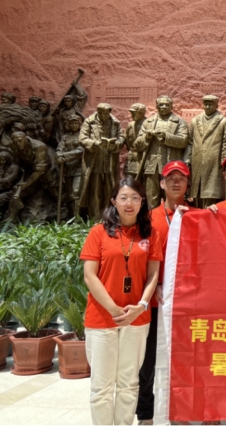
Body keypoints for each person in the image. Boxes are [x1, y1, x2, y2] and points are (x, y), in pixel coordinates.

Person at [81, 178, 162, 426]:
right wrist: (113, 308)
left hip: (137, 319)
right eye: (124, 197)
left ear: (142, 202)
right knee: (102, 387)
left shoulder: (151, 233)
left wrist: (141, 305)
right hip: (102, 318)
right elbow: (89, 275)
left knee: (129, 384)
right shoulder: (98, 232)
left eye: (135, 198)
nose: (130, 203)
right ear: (113, 201)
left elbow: (153, 275)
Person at [136, 161, 192, 425]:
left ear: (188, 184)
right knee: (147, 362)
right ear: (161, 183)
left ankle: (182, 411)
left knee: (184, 361)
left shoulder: (197, 216)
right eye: (171, 178)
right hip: (155, 302)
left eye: (181, 178)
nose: (176, 182)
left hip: (186, 303)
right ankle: (146, 414)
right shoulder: (148, 218)